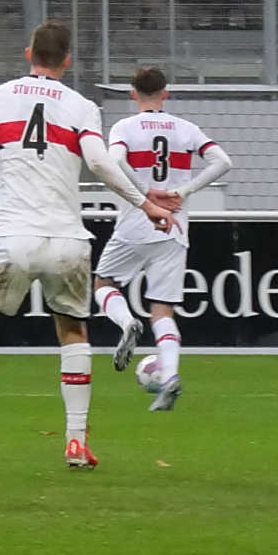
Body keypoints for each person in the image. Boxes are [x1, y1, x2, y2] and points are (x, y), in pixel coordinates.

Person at [0, 21, 176, 472]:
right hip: (68, 241)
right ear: (67, 60)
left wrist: (12, 168)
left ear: (29, 53)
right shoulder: (81, 106)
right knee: (72, 331)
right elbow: (99, 162)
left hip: (13, 237)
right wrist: (146, 204)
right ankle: (76, 444)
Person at [91, 66, 233, 412]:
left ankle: (126, 322)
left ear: (133, 94)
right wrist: (183, 191)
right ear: (165, 93)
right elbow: (222, 162)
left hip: (136, 221)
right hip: (174, 226)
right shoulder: (186, 129)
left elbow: (114, 161)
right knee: (162, 311)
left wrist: (145, 191)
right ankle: (169, 377)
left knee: (103, 283)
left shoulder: (125, 127)